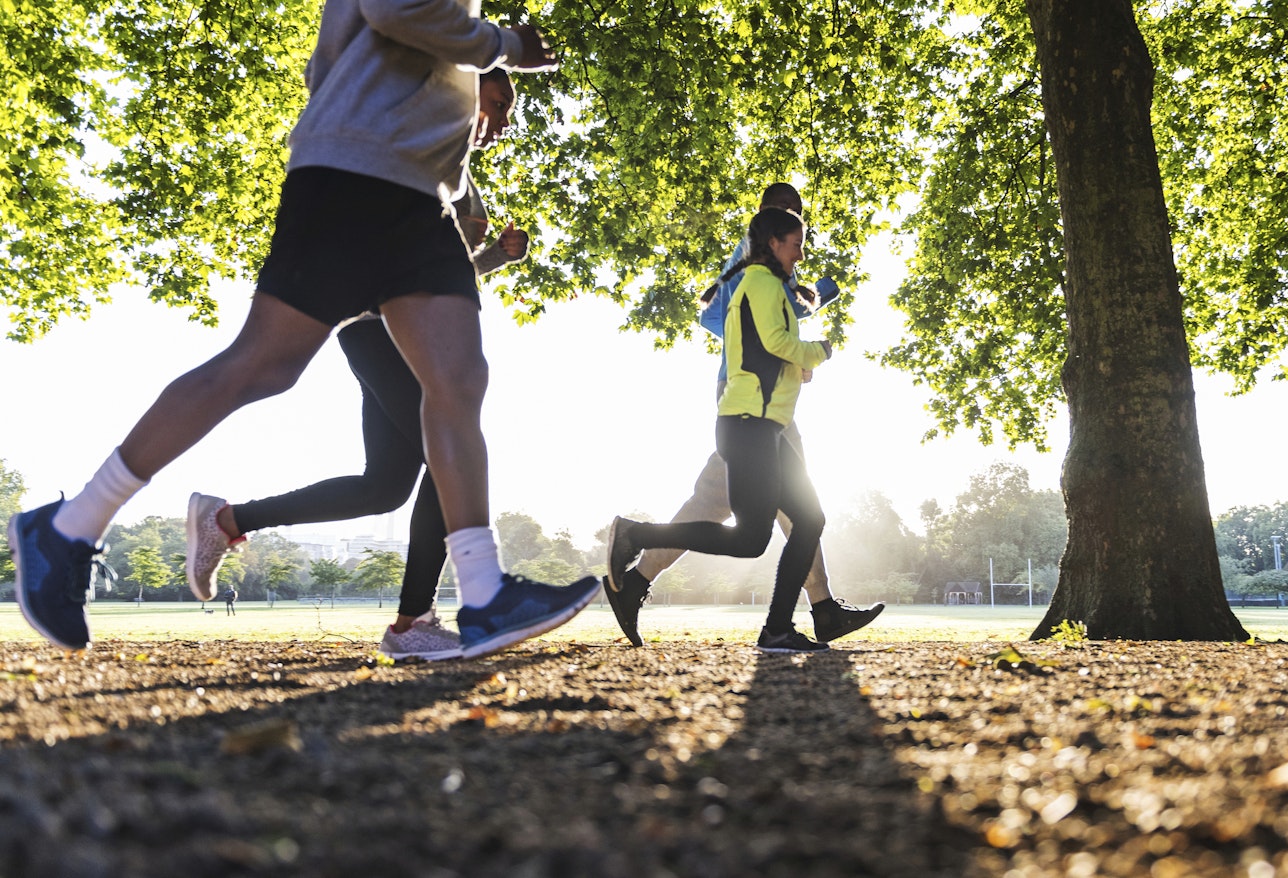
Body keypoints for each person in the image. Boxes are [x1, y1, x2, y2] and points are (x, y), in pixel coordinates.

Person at [7, 1, 598, 656]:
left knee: (458, 380)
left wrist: (477, 90)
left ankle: (484, 595)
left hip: (417, 191)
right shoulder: (469, 48)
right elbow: (394, 9)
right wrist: (503, 47)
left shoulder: (455, 125)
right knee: (263, 364)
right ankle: (69, 527)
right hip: (358, 174)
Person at [187, 125, 531, 663]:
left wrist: (497, 259)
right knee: (448, 456)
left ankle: (229, 520)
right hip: (379, 324)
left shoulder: (457, 170)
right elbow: (390, 252)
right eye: (498, 101)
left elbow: (441, 266)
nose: (504, 119)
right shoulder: (413, 147)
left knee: (386, 487)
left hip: (396, 326)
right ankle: (413, 621)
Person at [604, 184, 883, 647]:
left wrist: (793, 338)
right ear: (772, 225)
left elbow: (765, 326)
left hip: (759, 401)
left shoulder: (769, 274)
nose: (800, 241)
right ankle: (816, 610)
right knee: (782, 512)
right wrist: (781, 352)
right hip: (749, 401)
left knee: (730, 500)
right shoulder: (754, 267)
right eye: (792, 225)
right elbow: (719, 319)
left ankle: (637, 580)